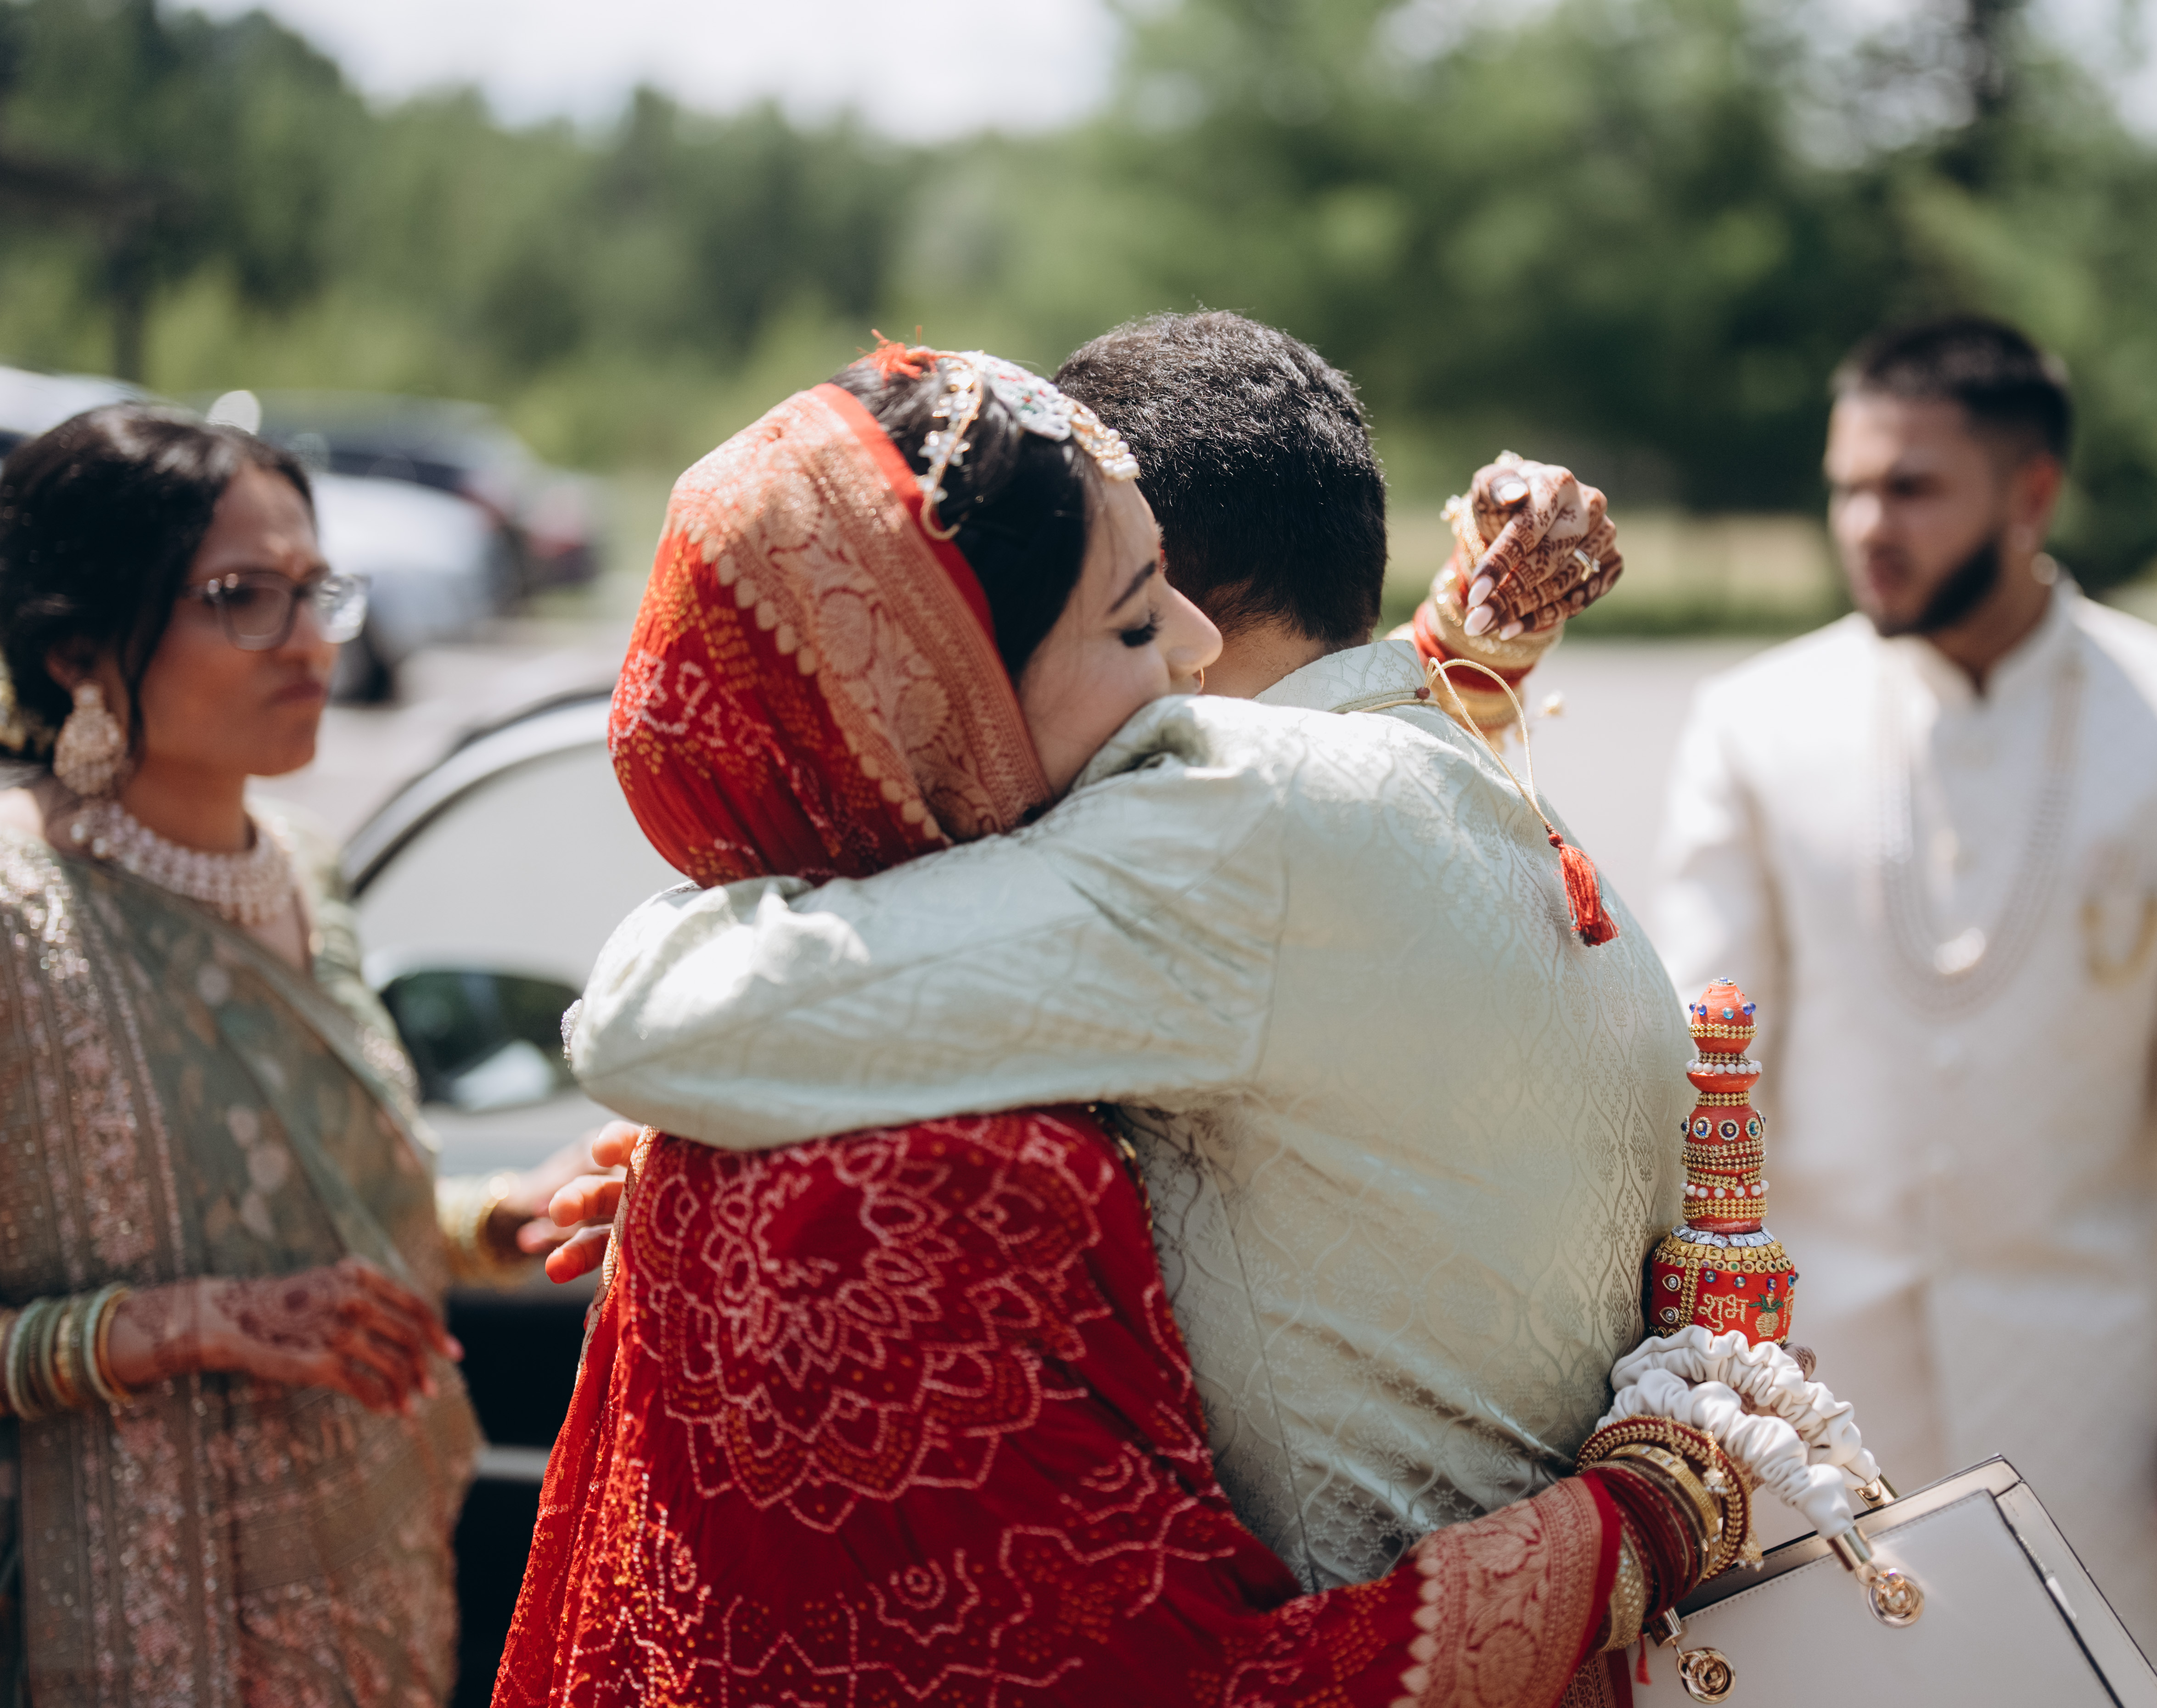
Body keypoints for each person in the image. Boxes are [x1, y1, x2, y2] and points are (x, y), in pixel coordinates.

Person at [498, 349, 1798, 1708]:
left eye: (1159, 598)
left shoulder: (1239, 811)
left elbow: (646, 1024)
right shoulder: (1474, 784)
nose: (1181, 644)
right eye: (1130, 614)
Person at [1653, 316, 2157, 1707]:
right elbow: (1699, 1079)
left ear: (2032, 495)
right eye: (1847, 486)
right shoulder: (1758, 725)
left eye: (1911, 488)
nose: (1865, 525)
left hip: (2098, 1396)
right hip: (1816, 1395)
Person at [0, 406, 580, 1704]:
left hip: (374, 1575)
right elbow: (241, 1281)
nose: (313, 641)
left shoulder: (306, 869)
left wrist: (501, 1218)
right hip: (130, 1624)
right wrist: (188, 1327)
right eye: (242, 599)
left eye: (317, 591)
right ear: (76, 647)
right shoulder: (18, 916)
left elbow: (318, 1210)